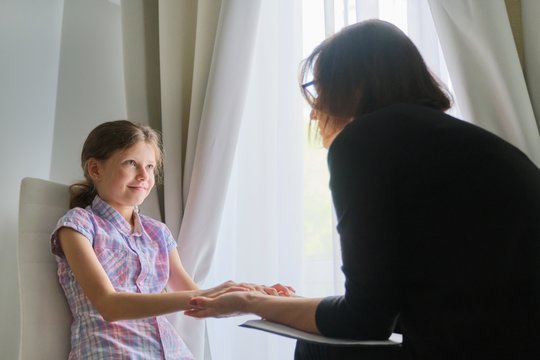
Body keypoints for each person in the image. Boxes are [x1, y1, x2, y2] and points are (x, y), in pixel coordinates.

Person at [184, 19, 540, 359]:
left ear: (356, 87)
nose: (314, 111)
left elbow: (363, 319)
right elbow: (412, 302)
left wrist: (251, 303)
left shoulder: (363, 142)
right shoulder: (471, 143)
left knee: (317, 347)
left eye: (320, 89)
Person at [51, 120, 286, 359]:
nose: (144, 175)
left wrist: (251, 298)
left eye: (150, 167)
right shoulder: (78, 225)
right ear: (95, 170)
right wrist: (214, 294)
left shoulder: (158, 233)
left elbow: (197, 299)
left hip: (171, 352)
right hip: (111, 351)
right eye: (131, 163)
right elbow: (109, 305)